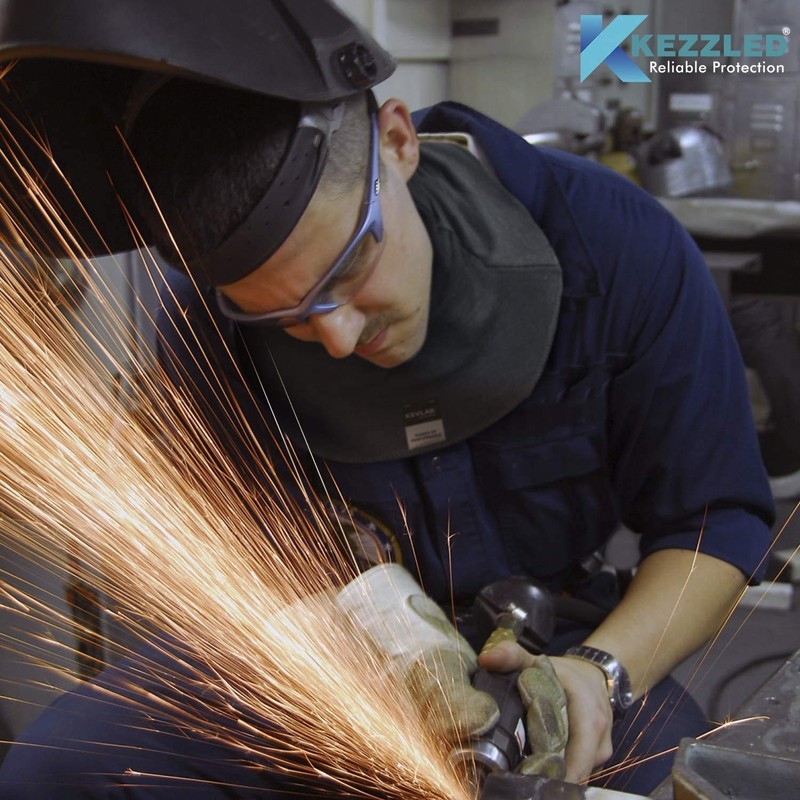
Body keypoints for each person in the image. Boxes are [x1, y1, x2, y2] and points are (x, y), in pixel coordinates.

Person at [0, 1, 775, 797]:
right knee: (61, 769)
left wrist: (601, 673)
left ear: (398, 143)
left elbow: (714, 519)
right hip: (337, 649)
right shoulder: (203, 326)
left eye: (348, 268)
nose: (338, 337)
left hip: (559, 647)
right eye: (286, 316)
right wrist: (349, 639)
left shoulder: (612, 244)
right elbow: (223, 563)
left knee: (678, 781)